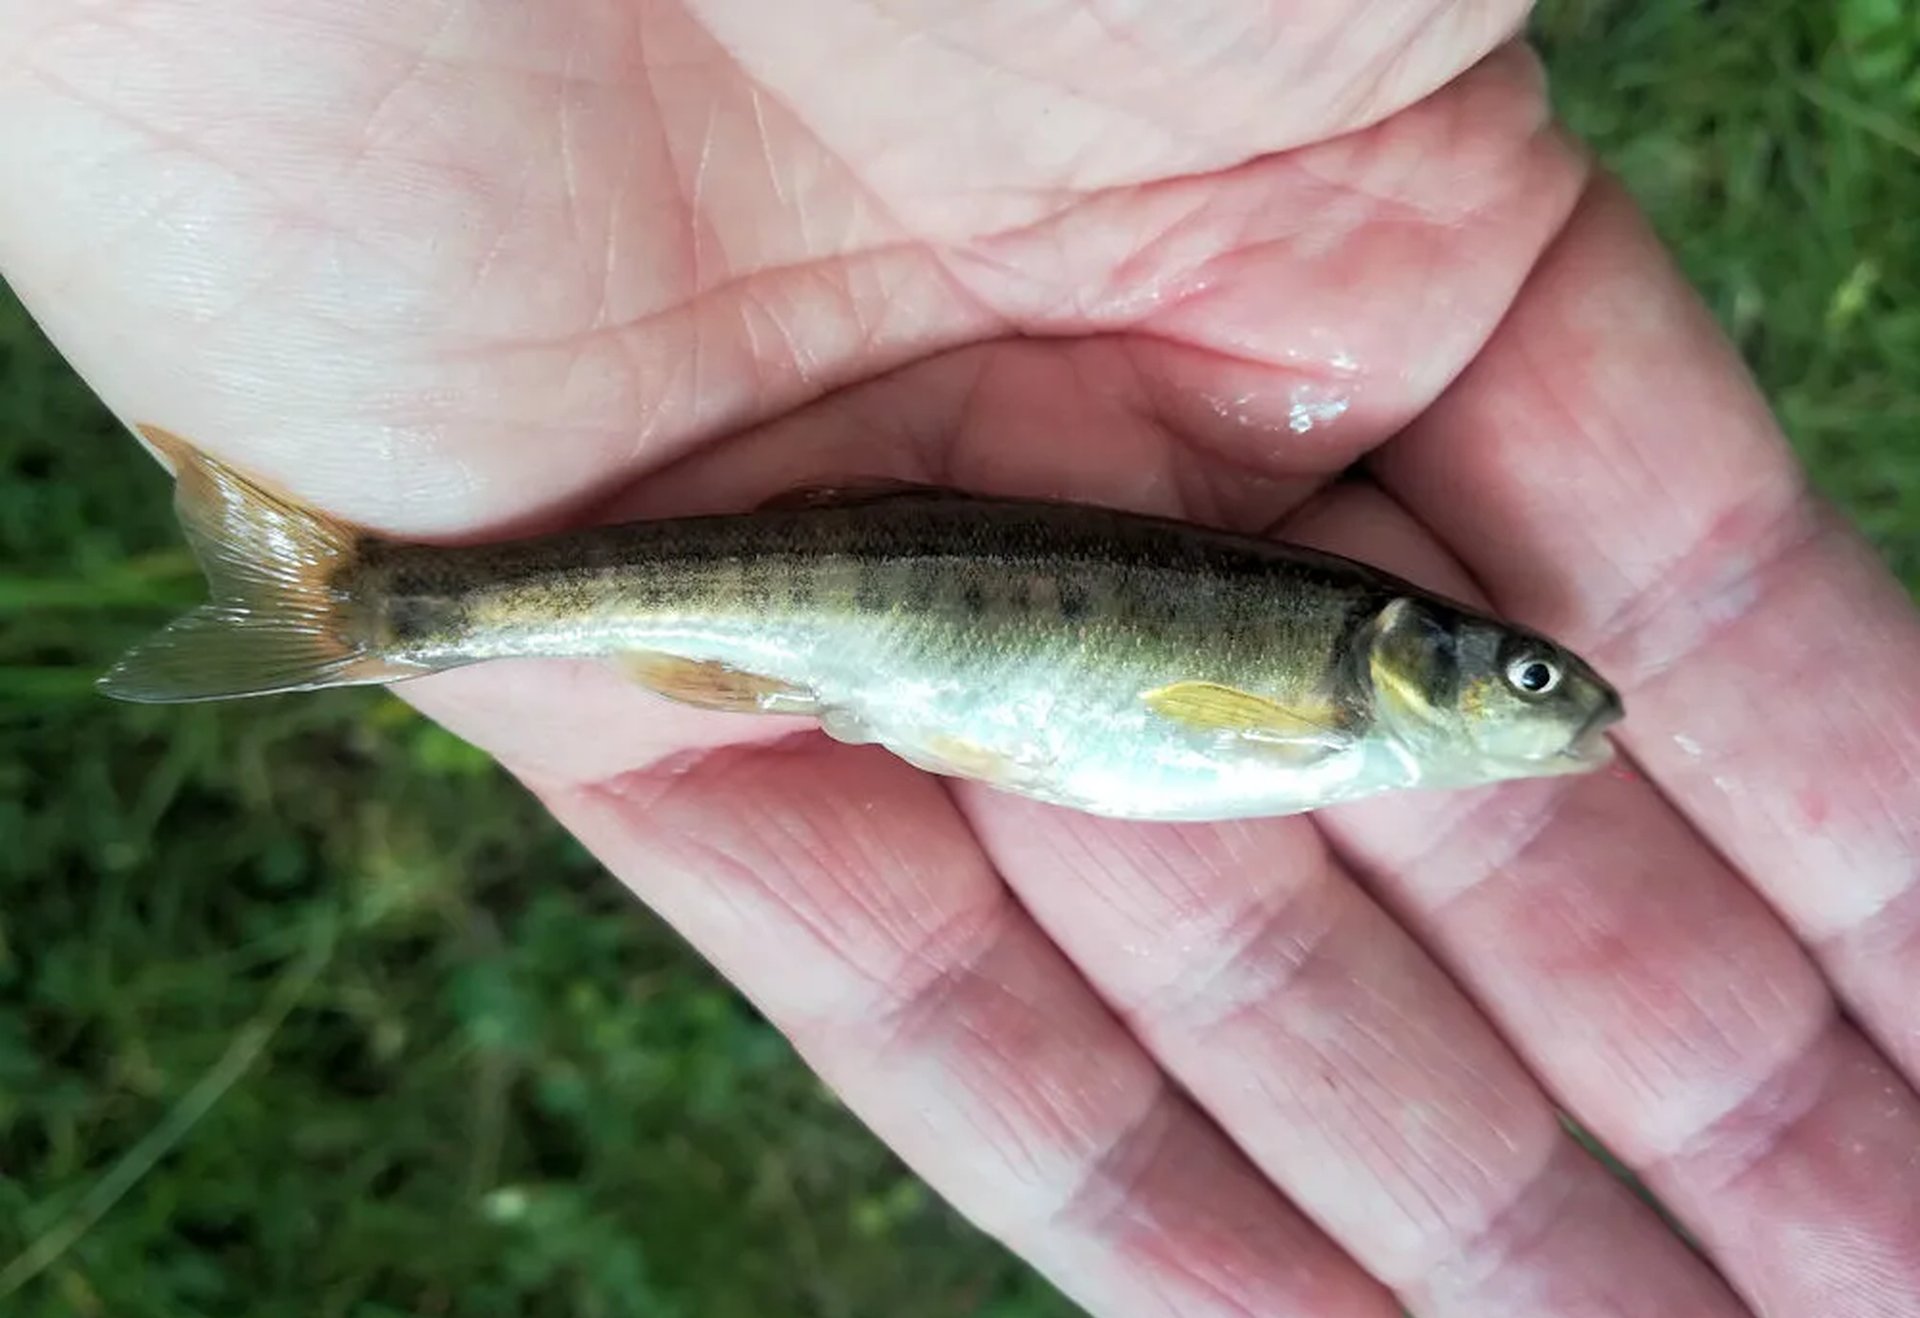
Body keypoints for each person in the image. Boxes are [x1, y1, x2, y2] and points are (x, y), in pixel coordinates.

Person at [4, 5, 1916, 1314]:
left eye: (1538, 685)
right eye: (1519, 681)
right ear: (1416, 656)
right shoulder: (1336, 689)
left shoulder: (1338, 700)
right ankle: (375, 606)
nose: (1559, 702)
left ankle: (365, 608)